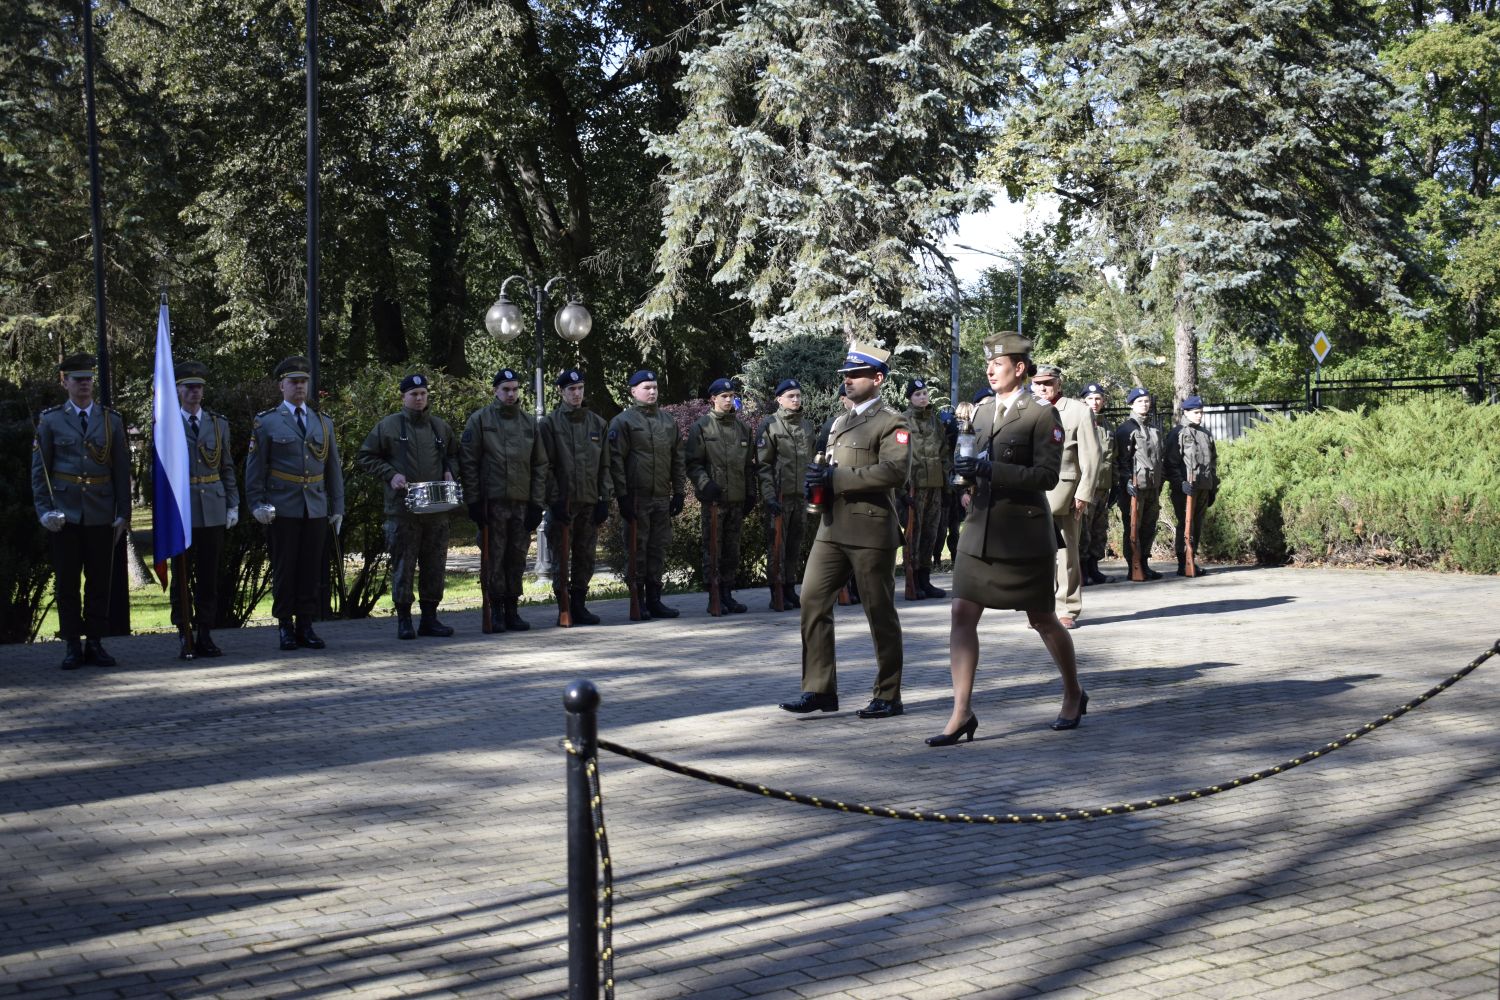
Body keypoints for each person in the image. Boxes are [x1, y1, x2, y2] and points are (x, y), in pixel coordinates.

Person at [928, 333, 1087, 747]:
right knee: (962, 613)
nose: (989, 370)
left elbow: (1046, 477)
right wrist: (967, 483)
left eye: (997, 364)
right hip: (979, 530)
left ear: (1019, 368)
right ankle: (961, 711)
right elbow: (970, 461)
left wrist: (990, 471)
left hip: (1022, 534)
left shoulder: (1041, 415)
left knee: (1042, 619)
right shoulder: (980, 413)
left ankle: (1073, 692)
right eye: (988, 364)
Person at [778, 343, 910, 719]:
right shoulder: (840, 421)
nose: (848, 381)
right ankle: (820, 689)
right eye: (846, 376)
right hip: (832, 527)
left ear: (877, 379)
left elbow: (894, 472)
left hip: (870, 529)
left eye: (856, 375)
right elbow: (832, 467)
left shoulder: (891, 422)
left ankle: (888, 695)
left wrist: (835, 478)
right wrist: (818, 480)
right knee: (812, 601)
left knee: (879, 613)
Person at [31, 353, 130, 670]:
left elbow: (121, 469)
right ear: (65, 383)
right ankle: (73, 644)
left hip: (101, 511)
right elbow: (41, 470)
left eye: (88, 379)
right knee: (67, 584)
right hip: (66, 513)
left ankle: (96, 642)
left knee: (99, 582)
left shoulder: (110, 420)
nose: (85, 384)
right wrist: (45, 511)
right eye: (78, 379)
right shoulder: (51, 420)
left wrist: (124, 512)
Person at [245, 355, 345, 652]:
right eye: (294, 382)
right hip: (283, 506)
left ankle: (306, 625)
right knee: (285, 568)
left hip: (315, 506)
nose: (300, 386)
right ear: (282, 386)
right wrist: (256, 503)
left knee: (310, 569)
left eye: (303, 382)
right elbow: (255, 468)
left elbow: (333, 468)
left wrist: (337, 507)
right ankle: (285, 626)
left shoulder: (322, 422)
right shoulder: (267, 422)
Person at [357, 372, 460, 640]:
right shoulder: (388, 426)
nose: (419, 398)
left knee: (435, 565)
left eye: (423, 393)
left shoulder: (439, 427)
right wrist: (390, 474)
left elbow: (454, 454)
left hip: (436, 509)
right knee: (403, 565)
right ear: (403, 397)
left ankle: (430, 618)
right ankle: (404, 620)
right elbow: (366, 456)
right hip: (402, 510)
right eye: (414, 394)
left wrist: (450, 471)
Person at [461, 368, 548, 632]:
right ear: (495, 391)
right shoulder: (480, 420)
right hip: (493, 503)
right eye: (506, 389)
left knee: (517, 557)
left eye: (515, 389)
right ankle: (495, 608)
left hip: (521, 503)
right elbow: (469, 462)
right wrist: (474, 501)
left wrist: (536, 504)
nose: (511, 394)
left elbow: (540, 464)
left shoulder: (528, 422)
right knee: (494, 557)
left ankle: (512, 608)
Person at [170, 361, 238, 658]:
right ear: (178, 390)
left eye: (198, 387)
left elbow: (226, 466)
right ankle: (183, 631)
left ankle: (206, 632)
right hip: (181, 510)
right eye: (189, 387)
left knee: (209, 576)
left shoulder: (218, 424)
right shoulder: (167, 423)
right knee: (181, 576)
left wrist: (233, 503)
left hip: (212, 506)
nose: (195, 392)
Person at [609, 369, 686, 619]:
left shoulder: (668, 421)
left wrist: (679, 492)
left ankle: (655, 600)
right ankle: (637, 599)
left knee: (657, 549)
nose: (652, 392)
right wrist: (622, 496)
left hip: (661, 497)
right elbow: (615, 462)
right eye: (646, 388)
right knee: (636, 550)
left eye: (654, 387)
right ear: (633, 392)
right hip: (636, 498)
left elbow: (677, 459)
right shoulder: (623, 422)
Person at [539, 368, 612, 625]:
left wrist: (604, 498)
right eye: (571, 389)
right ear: (561, 391)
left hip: (589, 502)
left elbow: (605, 465)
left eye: (580, 388)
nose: (577, 393)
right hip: (563, 503)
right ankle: (564, 606)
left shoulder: (598, 424)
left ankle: (579, 604)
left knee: (586, 555)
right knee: (561, 557)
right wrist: (554, 499)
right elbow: (544, 466)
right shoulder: (549, 424)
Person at [1031, 364, 1100, 628]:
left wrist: (1084, 493)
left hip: (1066, 494)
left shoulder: (1078, 411)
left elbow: (1092, 456)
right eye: (1038, 383)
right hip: (1032, 492)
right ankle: (1040, 608)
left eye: (1048, 382)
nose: (1042, 388)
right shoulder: (1026, 409)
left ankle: (1066, 609)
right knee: (1036, 555)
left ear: (1059, 383)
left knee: (1066, 555)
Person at [686, 378, 756, 615]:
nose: (728, 400)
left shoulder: (743, 428)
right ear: (713, 399)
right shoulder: (702, 427)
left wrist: (751, 493)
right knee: (713, 549)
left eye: (731, 396)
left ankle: (727, 593)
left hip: (737, 499)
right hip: (714, 501)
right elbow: (693, 463)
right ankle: (713, 595)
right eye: (724, 396)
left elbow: (749, 466)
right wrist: (706, 485)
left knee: (732, 551)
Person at [756, 378, 815, 610]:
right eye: (791, 396)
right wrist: (769, 496)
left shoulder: (806, 426)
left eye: (798, 395)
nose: (796, 399)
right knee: (777, 546)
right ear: (779, 399)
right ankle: (776, 590)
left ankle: (790, 587)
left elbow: (810, 461)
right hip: (779, 496)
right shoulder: (770, 425)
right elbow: (763, 465)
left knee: (794, 545)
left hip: (800, 496)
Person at [902, 377, 950, 599]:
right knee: (914, 533)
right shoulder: (903, 421)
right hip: (915, 487)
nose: (922, 398)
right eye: (917, 395)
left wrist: (946, 483)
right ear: (910, 398)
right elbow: (898, 457)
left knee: (931, 532)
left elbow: (944, 452)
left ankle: (925, 579)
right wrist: (902, 491)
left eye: (924, 394)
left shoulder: (935, 422)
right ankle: (912, 580)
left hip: (935, 485)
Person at [1114, 387, 1165, 580]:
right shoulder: (1126, 429)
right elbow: (1122, 460)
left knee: (1149, 526)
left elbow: (1159, 459)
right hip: (1134, 488)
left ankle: (1144, 563)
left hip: (1152, 487)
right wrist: (1126, 481)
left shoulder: (1154, 429)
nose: (1144, 404)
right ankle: (1133, 565)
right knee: (1133, 527)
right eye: (1140, 401)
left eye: (1146, 401)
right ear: (1131, 404)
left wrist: (1160, 481)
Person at [1165, 394, 1218, 576]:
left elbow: (1212, 462)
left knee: (1197, 525)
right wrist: (1180, 483)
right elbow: (1170, 463)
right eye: (1196, 412)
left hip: (1203, 487)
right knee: (1185, 525)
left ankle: (1192, 559)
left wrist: (1212, 487)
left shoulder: (1205, 434)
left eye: (1201, 412)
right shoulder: (1177, 433)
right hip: (1185, 489)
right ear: (1186, 412)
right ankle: (1183, 562)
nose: (1199, 415)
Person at [1079, 383, 1116, 585]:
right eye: (1090, 399)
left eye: (1098, 398)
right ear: (1083, 400)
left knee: (1099, 530)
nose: (1094, 402)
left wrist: (1115, 484)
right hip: (1086, 487)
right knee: (1083, 530)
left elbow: (1113, 458)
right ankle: (1082, 570)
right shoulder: (1079, 422)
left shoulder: (1107, 427)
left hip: (1103, 487)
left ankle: (1094, 569)